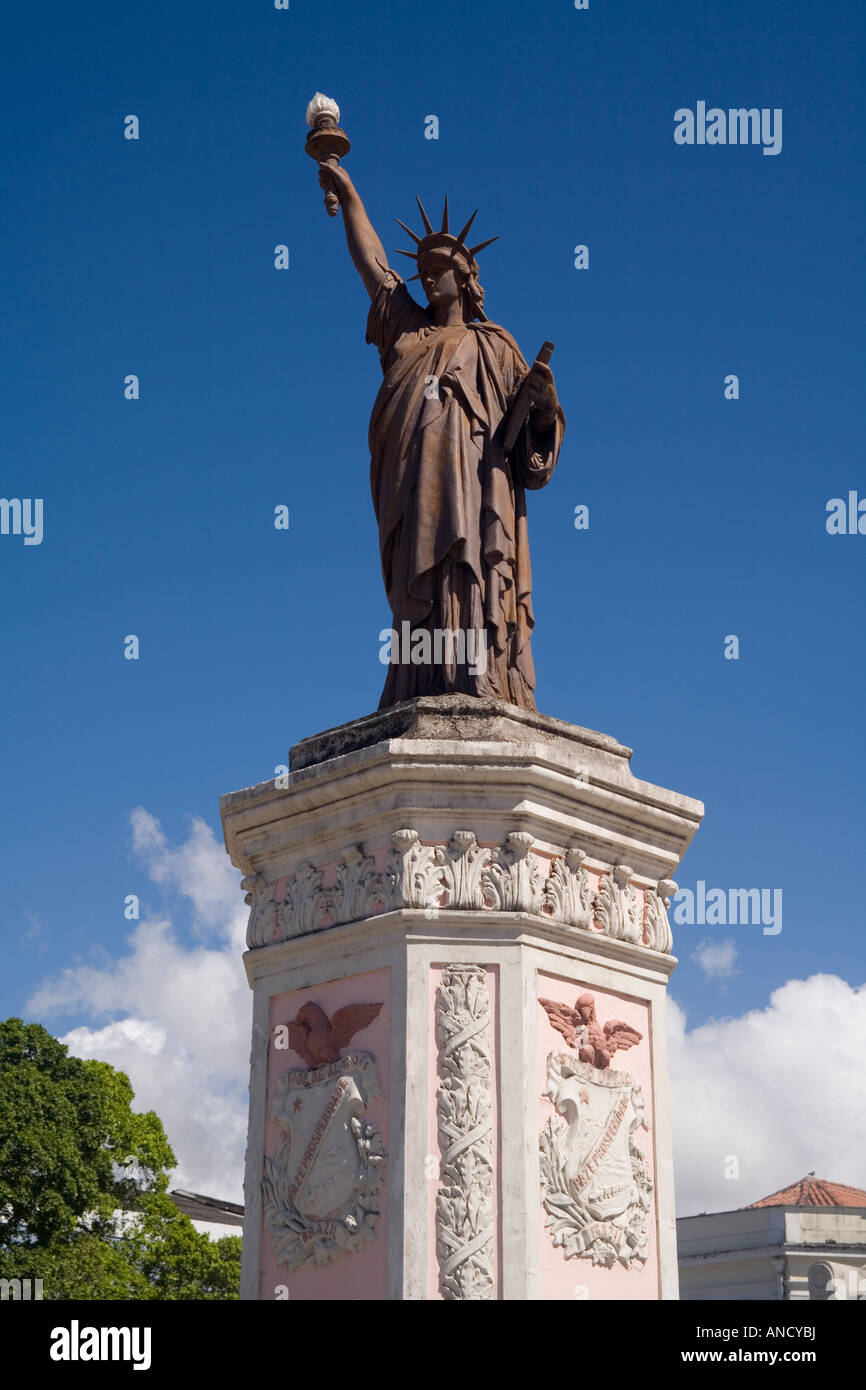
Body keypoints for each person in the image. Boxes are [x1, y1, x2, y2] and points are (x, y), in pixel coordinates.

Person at [319, 165, 565, 710]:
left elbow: (531, 453)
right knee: (419, 583)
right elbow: (374, 267)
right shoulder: (409, 332)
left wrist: (544, 407)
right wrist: (350, 192)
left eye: (439, 270)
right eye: (423, 271)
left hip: (480, 493)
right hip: (416, 493)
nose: (429, 279)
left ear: (464, 276)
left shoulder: (495, 346)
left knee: (474, 569)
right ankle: (419, 681)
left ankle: (478, 674)